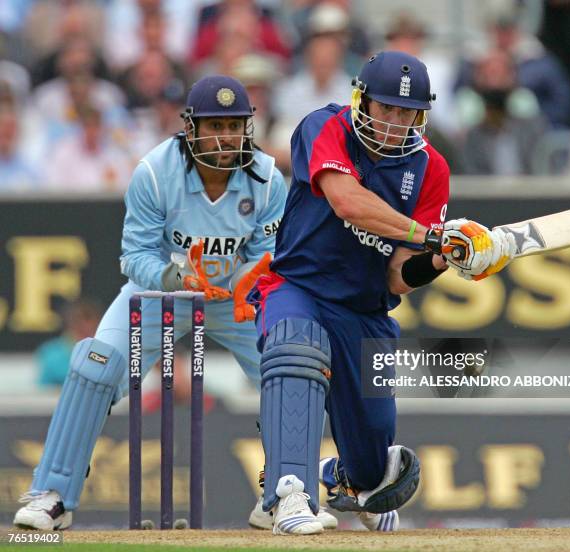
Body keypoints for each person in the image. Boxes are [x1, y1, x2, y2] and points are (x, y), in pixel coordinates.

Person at [246, 51, 517, 535]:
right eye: (386, 108)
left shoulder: (430, 168)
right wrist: (433, 235)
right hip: (299, 287)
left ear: (421, 115)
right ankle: (288, 493)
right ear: (362, 100)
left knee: (373, 476)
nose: (394, 122)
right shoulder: (323, 126)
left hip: (364, 310)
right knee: (295, 348)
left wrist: (447, 257)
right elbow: (347, 203)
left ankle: (342, 477)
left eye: (406, 112)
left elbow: (396, 277)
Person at [13, 75, 290, 530]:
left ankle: (282, 493)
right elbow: (134, 254)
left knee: (291, 363)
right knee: (95, 364)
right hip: (164, 293)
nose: (225, 137)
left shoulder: (265, 179)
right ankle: (53, 495)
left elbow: (267, 252)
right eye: (214, 125)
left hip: (233, 297)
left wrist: (243, 280)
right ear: (190, 128)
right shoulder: (155, 173)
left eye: (234, 125)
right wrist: (176, 275)